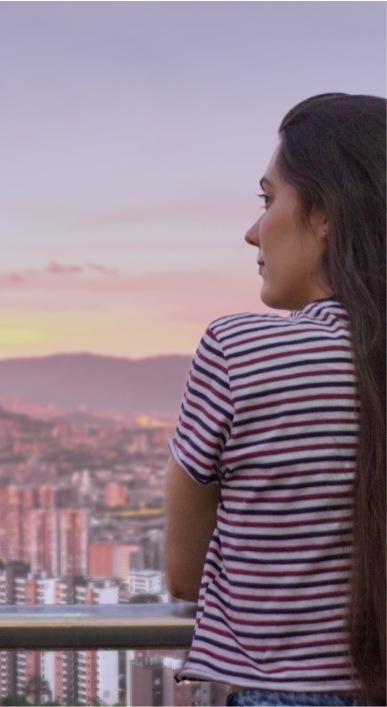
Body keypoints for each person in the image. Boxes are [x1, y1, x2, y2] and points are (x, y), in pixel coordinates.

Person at [163, 94, 385, 707]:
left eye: (268, 199)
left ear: (326, 215)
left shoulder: (238, 349)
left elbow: (184, 572)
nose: (253, 231)